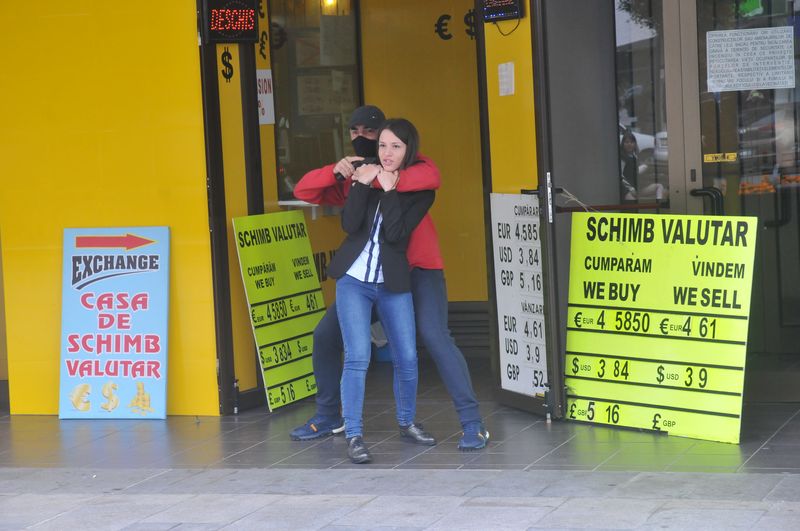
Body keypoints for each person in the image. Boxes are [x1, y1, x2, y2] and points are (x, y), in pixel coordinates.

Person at [292, 105, 489, 452]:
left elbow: (432, 177)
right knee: (325, 336)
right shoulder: (358, 172)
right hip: (370, 276)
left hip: (417, 270)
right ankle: (329, 417)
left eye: (370, 133)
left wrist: (383, 179)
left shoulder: (412, 167)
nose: (363, 138)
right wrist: (337, 172)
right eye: (355, 132)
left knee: (434, 336)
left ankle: (473, 423)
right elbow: (305, 192)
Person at [328, 118, 435, 464]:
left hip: (392, 283)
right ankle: (354, 434)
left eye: (396, 147)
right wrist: (362, 185)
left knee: (407, 356)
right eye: (383, 145)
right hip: (353, 281)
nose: (387, 153)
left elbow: (396, 234)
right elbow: (349, 224)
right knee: (358, 355)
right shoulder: (366, 176)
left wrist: (389, 192)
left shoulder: (420, 192)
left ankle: (407, 422)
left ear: (408, 151)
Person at [619, 131, 664, 202]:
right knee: (633, 202)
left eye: (631, 142)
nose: (629, 144)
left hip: (638, 188)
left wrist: (645, 166)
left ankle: (658, 205)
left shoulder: (634, 157)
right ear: (623, 144)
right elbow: (620, 176)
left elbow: (636, 172)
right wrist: (631, 189)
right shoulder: (622, 158)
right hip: (627, 189)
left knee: (659, 186)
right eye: (627, 142)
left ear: (635, 144)